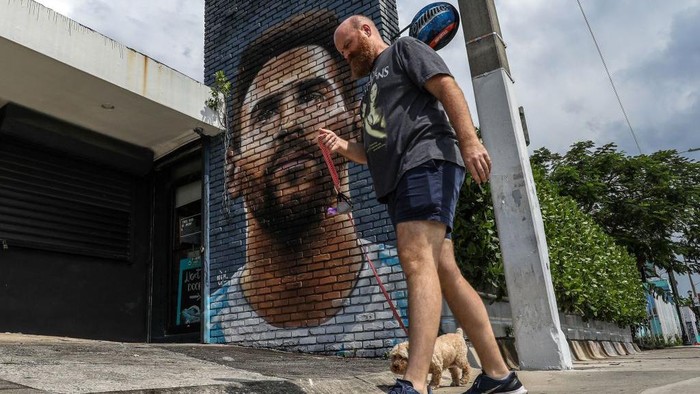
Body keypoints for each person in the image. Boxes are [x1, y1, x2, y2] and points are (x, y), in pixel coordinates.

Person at [319, 15, 527, 394]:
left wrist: (469, 139)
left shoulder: (404, 49)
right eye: (341, 52)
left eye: (347, 46)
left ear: (366, 30)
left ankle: (413, 383)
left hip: (426, 160)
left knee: (415, 260)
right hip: (402, 177)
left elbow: (448, 88)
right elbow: (374, 151)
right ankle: (500, 376)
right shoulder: (370, 92)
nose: (346, 55)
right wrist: (342, 146)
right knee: (445, 272)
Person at [209, 11, 407, 355]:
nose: (289, 124)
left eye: (311, 96)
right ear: (233, 171)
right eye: (266, 113)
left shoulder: (411, 288)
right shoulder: (208, 327)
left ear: (354, 126)